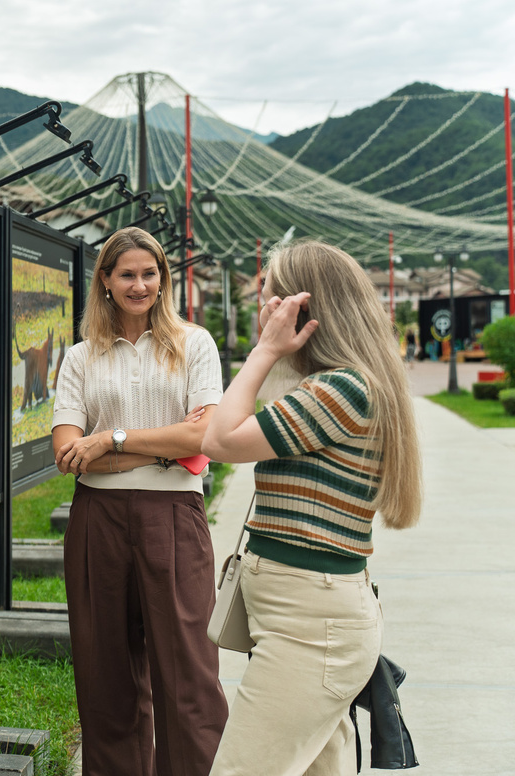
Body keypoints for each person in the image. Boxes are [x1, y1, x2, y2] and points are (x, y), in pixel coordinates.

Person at [202, 239, 422, 775]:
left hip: (311, 624)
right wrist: (278, 352)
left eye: (270, 296)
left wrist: (264, 350)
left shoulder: (342, 391)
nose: (263, 309)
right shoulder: (328, 383)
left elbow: (220, 440)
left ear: (305, 308)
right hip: (303, 615)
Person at [51, 226, 227, 776]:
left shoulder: (194, 345)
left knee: (190, 681)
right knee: (106, 681)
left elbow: (202, 440)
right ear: (104, 280)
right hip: (96, 520)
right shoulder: (80, 358)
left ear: (163, 280)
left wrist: (111, 440)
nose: (139, 284)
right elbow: (66, 454)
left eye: (150, 274)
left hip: (174, 518)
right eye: (126, 274)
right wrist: (163, 448)